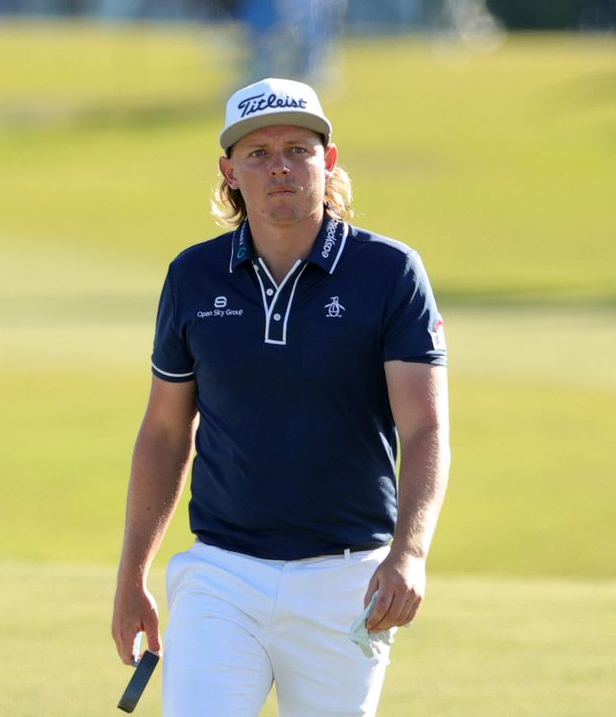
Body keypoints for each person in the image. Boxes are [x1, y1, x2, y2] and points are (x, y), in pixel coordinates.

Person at [110, 77, 450, 716]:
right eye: (258, 154)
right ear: (229, 171)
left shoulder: (390, 272)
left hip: (349, 579)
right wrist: (133, 575)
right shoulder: (193, 275)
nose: (280, 167)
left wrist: (410, 553)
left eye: (297, 148)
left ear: (329, 160)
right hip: (220, 574)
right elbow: (163, 431)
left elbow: (425, 428)